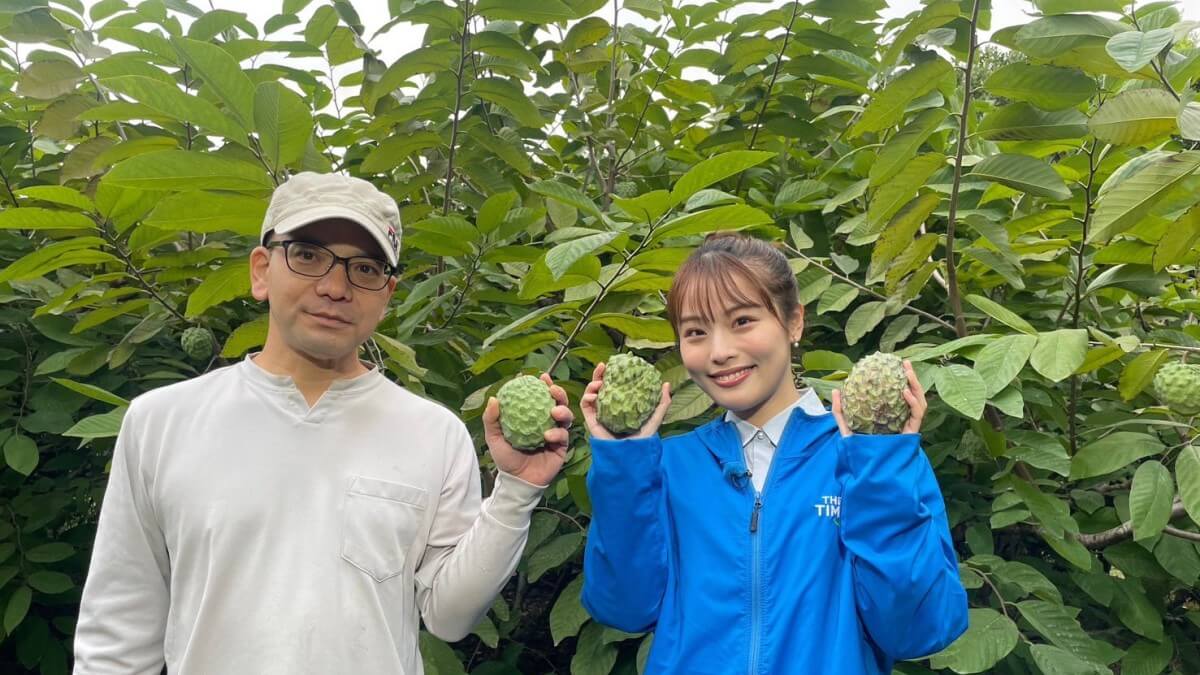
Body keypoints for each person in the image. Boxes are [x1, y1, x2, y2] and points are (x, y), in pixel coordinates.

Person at [73, 172, 572, 674]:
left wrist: (515, 490)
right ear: (262, 270)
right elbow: (118, 633)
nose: (336, 287)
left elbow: (449, 617)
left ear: (387, 293)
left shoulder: (433, 433)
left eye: (365, 268)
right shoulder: (161, 422)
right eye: (308, 255)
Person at [579, 233, 967, 674]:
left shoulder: (874, 461)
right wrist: (624, 464)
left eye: (742, 321)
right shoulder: (668, 466)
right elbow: (624, 609)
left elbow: (918, 631)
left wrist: (879, 471)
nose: (720, 351)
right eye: (695, 332)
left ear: (794, 322)